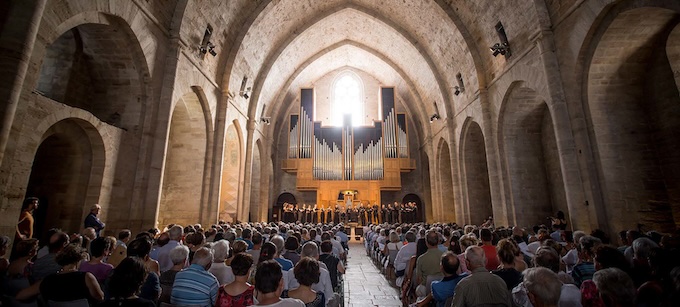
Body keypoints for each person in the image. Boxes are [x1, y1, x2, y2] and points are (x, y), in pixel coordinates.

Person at [17, 244, 104, 304]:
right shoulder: (87, 277)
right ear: (78, 261)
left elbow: (20, 296)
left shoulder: (48, 280)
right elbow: (100, 297)